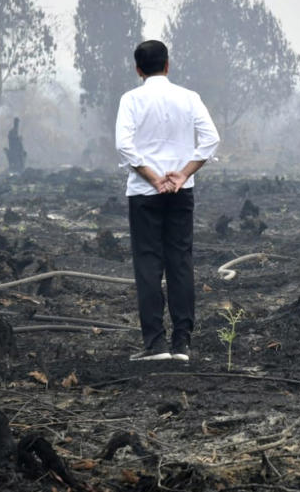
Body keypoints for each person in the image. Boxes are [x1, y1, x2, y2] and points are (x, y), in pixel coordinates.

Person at [115, 40, 220, 361]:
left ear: (138, 70)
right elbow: (211, 140)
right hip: (180, 192)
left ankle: (155, 344)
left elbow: (124, 145)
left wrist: (152, 177)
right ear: (168, 65)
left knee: (148, 263)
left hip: (145, 194)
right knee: (180, 261)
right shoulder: (189, 98)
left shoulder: (131, 99)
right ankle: (183, 344)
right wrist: (183, 174)